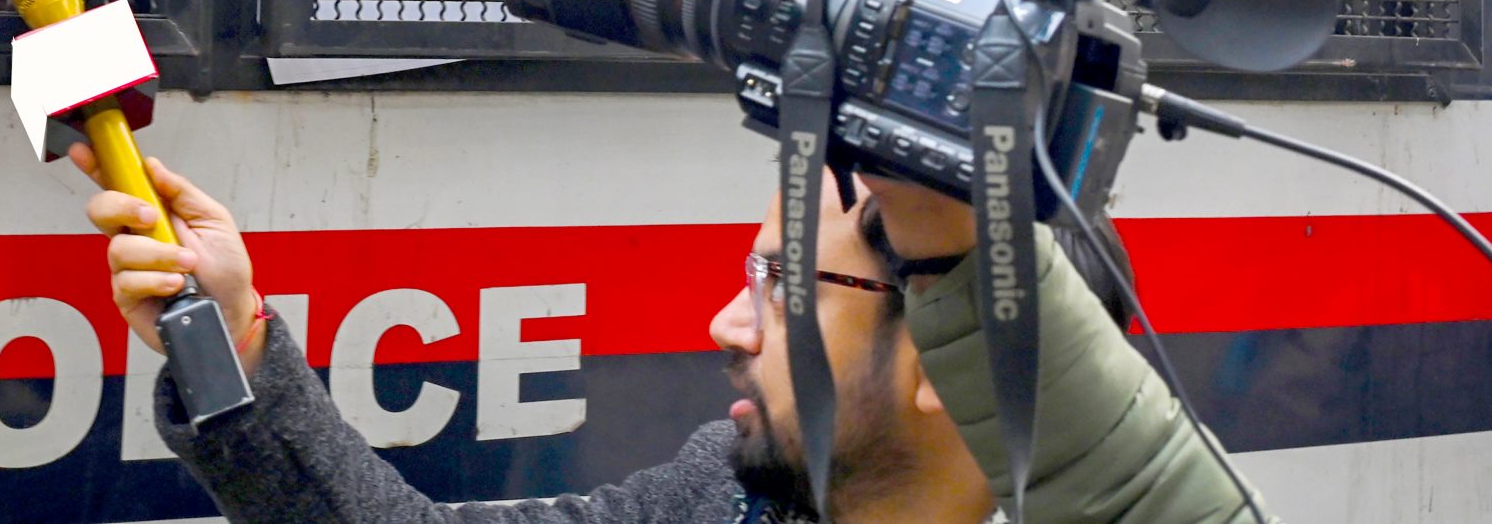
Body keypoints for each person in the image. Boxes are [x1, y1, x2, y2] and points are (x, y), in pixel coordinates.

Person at [77, 154, 1262, 524]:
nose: (722, 325)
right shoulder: (722, 492)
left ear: (950, 357)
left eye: (781, 287)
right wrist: (228, 332)